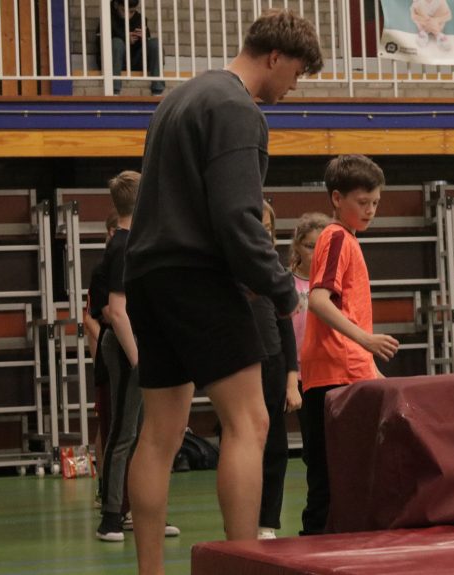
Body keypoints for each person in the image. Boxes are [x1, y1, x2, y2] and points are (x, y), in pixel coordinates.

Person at [122, 9, 323, 573]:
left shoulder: (178, 99)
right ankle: (242, 564)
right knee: (250, 421)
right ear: (275, 57)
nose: (293, 87)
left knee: (159, 434)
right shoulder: (237, 108)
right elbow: (237, 218)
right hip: (198, 277)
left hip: (147, 276)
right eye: (296, 74)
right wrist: (283, 289)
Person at [298, 154, 400, 535]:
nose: (371, 210)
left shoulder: (349, 240)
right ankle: (313, 549)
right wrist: (366, 341)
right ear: (337, 199)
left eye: (376, 202)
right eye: (363, 202)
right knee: (328, 482)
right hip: (334, 377)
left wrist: (369, 365)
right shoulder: (337, 237)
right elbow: (319, 300)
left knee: (344, 478)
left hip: (346, 372)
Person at [95, 172, 180, 543]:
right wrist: (138, 360)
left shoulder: (138, 242)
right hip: (126, 347)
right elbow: (117, 311)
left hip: (142, 345)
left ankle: (141, 511)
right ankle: (111, 515)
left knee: (147, 435)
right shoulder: (122, 246)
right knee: (124, 431)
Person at [216, 201, 303, 539]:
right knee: (239, 439)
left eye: (268, 228)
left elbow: (286, 327)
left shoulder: (273, 268)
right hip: (237, 361)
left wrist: (292, 378)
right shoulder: (227, 266)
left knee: (275, 446)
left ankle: (267, 520)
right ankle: (238, 519)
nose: (263, 233)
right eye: (258, 227)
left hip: (273, 362)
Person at [87, 211, 118, 503]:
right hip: (110, 359)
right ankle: (106, 487)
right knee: (108, 429)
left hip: (125, 354)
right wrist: (104, 353)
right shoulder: (102, 271)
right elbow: (93, 319)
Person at [289, 212, 331, 372]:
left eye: (322, 246)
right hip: (294, 370)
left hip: (325, 368)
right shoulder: (286, 282)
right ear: (297, 246)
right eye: (310, 246)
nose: (316, 252)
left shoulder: (333, 284)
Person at [101, 0, 165, 96]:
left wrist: (144, 38)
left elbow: (150, 46)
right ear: (116, 5)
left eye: (131, 12)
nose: (127, 15)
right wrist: (125, 38)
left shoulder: (139, 19)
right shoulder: (107, 18)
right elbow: (101, 45)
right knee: (116, 42)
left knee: (155, 42)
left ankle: (157, 90)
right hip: (116, 63)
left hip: (137, 60)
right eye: (124, 10)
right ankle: (114, 90)